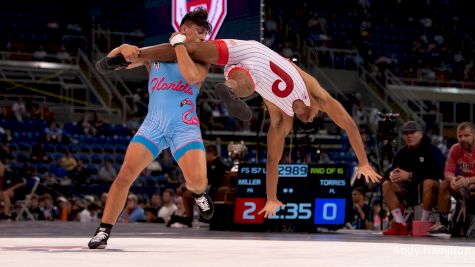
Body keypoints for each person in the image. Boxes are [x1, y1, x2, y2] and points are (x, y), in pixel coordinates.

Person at [97, 37, 382, 218]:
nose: (312, 119)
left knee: (243, 84)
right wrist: (364, 161)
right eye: (316, 117)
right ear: (317, 108)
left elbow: (273, 160)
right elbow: (349, 124)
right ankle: (136, 55)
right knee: (192, 47)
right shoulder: (318, 95)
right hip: (255, 51)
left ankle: (228, 88)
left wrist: (272, 198)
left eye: (312, 121)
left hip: (249, 73)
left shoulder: (282, 119)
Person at [88, 8, 215, 249]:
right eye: (198, 32)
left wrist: (178, 44)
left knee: (197, 182)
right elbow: (112, 63)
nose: (202, 38)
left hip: (184, 126)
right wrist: (123, 47)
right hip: (154, 124)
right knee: (125, 174)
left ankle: (199, 195)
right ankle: (104, 230)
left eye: (204, 35)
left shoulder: (201, 59)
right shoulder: (155, 55)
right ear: (184, 29)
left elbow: (189, 76)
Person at [382, 121, 444, 235]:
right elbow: (390, 170)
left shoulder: (432, 150)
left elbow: (438, 173)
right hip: (410, 190)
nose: (409, 135)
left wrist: (410, 175)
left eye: (412, 132)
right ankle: (400, 224)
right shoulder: (402, 152)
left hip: (430, 190)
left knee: (428, 182)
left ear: (421, 134)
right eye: (406, 133)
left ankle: (423, 222)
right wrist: (391, 175)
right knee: (387, 184)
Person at [428, 122, 475, 237]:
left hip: (470, 183)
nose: (462, 139)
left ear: (474, 135)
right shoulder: (455, 149)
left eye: (466, 135)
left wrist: (468, 181)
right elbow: (448, 170)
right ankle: (443, 223)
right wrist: (452, 179)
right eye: (460, 136)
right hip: (465, 184)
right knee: (445, 184)